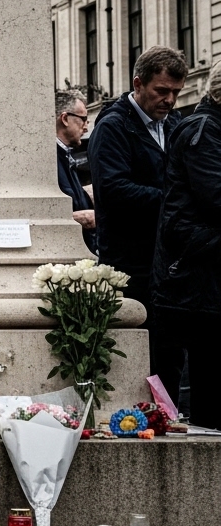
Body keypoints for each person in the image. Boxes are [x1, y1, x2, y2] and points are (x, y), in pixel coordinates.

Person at [88, 46, 187, 401]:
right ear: (138, 83)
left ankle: (170, 415)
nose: (170, 100)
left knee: (170, 353)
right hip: (132, 263)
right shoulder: (113, 126)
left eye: (176, 92)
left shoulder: (174, 125)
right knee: (142, 353)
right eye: (162, 91)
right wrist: (173, 201)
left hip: (168, 261)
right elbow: (113, 190)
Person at [154, 63, 221, 428]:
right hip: (196, 276)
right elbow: (215, 196)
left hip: (202, 272)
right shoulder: (203, 130)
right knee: (207, 380)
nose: (171, 99)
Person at [54, 90, 97, 254]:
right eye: (83, 119)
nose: (86, 127)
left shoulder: (64, 155)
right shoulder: (50, 159)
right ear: (64, 118)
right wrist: (82, 218)